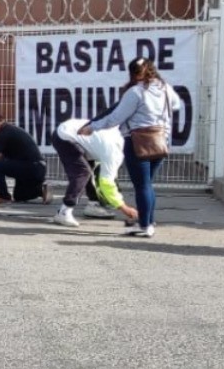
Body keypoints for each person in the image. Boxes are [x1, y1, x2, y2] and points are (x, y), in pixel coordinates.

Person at [82, 57, 182, 238]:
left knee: (142, 186)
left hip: (138, 142)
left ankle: (144, 226)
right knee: (147, 185)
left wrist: (91, 127)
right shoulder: (165, 88)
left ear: (133, 73)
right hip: (161, 141)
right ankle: (149, 221)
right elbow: (176, 104)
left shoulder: (135, 92)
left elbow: (115, 118)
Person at [51, 118, 139, 227]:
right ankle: (64, 212)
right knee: (83, 172)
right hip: (65, 136)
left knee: (90, 169)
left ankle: (93, 205)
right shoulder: (114, 151)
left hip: (77, 133)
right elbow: (106, 183)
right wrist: (124, 208)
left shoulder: (119, 136)